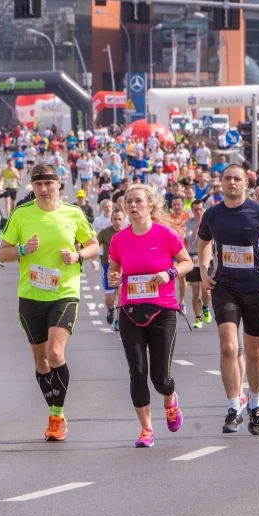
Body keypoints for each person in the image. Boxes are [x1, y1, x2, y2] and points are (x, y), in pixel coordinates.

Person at [0, 163, 100, 442]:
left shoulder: (73, 214)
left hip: (64, 292)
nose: (43, 189)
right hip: (31, 296)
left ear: (58, 185)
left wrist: (78, 256)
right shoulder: (21, 214)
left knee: (55, 354)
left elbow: (94, 245)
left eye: (48, 183)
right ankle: (55, 411)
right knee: (41, 362)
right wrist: (21, 249)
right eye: (38, 184)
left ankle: (56, 416)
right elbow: (2, 253)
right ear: (32, 186)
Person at [198, 164, 259, 435]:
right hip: (225, 287)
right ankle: (232, 407)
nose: (232, 183)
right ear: (221, 183)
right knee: (228, 347)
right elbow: (202, 243)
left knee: (254, 351)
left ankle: (255, 404)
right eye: (227, 179)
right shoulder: (213, 214)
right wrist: (203, 271)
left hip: (257, 289)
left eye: (237, 179)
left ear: (245, 184)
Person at [107, 185, 193, 448]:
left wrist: (170, 273)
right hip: (131, 312)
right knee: (137, 371)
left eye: (138, 201)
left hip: (163, 311)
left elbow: (187, 262)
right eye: (128, 202)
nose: (133, 206)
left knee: (161, 378)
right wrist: (114, 277)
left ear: (150, 205)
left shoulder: (165, 234)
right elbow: (114, 268)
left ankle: (170, 399)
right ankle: (146, 429)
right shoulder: (119, 240)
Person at [96, 205, 127, 326]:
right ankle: (110, 310)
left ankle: (118, 321)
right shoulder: (105, 232)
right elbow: (95, 245)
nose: (117, 222)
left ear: (123, 219)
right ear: (111, 220)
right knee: (110, 299)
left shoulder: (128, 232)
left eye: (120, 219)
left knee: (121, 294)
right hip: (108, 267)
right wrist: (93, 259)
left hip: (124, 267)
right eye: (115, 219)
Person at [183, 200, 212, 329]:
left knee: (206, 289)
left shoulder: (211, 221)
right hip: (193, 256)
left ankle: (205, 307)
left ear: (204, 209)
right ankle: (198, 317)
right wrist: (198, 225)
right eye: (195, 209)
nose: (198, 212)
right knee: (195, 290)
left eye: (200, 209)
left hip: (206, 257)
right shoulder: (188, 223)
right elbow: (191, 239)